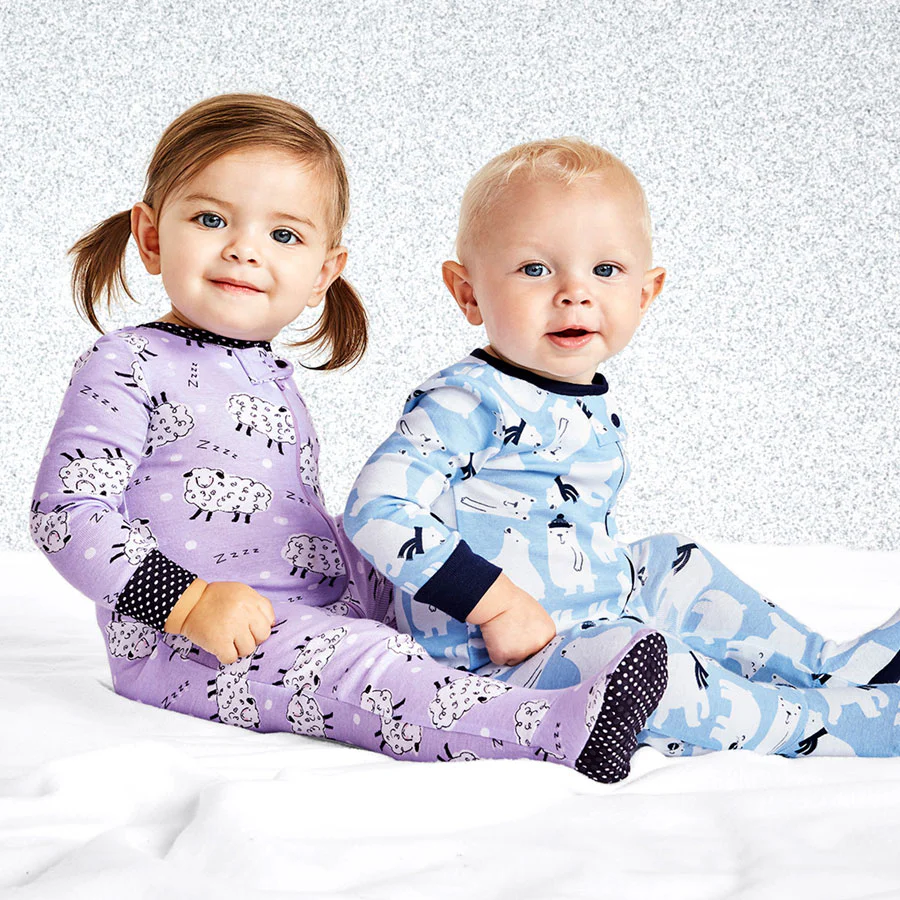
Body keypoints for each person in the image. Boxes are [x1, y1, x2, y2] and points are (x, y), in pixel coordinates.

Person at [30, 95, 669, 784]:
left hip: (319, 601)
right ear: (153, 238)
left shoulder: (266, 372)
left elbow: (279, 521)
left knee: (447, 561)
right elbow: (67, 515)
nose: (244, 248)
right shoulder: (128, 362)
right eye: (211, 219)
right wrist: (187, 604)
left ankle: (587, 645)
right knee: (368, 669)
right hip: (198, 643)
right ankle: (553, 730)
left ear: (322, 274)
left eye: (284, 235)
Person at [344, 138, 900, 759]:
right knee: (645, 665)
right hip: (506, 657)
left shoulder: (581, 396)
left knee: (673, 562)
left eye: (605, 271)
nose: (574, 293)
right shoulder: (469, 400)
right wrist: (494, 606)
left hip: (597, 605)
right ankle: (831, 726)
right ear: (468, 292)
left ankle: (834, 667)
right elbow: (376, 508)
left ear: (645, 293)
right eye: (535, 269)